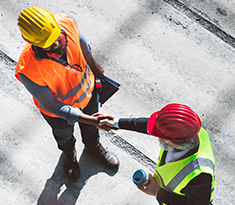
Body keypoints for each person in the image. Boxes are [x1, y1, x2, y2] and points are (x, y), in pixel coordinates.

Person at [15, 6, 119, 180]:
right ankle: (69, 155)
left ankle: (92, 146)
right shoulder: (28, 69)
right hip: (57, 114)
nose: (57, 44)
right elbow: (52, 105)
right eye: (50, 43)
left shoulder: (67, 22)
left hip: (88, 93)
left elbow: (83, 47)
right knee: (63, 136)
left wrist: (95, 67)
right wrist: (91, 120)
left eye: (57, 37)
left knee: (91, 129)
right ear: (33, 42)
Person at [98, 103, 216, 204]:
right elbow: (151, 125)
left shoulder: (200, 176)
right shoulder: (192, 129)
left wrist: (158, 192)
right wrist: (116, 123)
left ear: (172, 143)